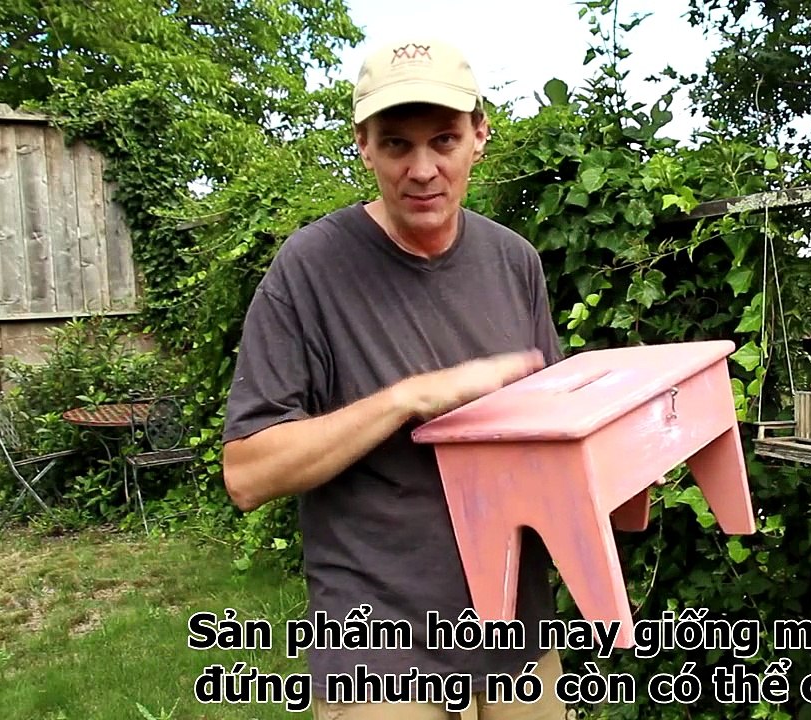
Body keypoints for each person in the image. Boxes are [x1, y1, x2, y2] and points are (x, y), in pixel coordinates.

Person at [220, 36, 569, 720]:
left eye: (443, 140)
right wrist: (411, 397)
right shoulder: (310, 269)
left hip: (515, 624)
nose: (422, 169)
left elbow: (549, 441)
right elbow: (247, 472)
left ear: (479, 136)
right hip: (378, 637)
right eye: (396, 145)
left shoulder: (513, 262)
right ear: (363, 145)